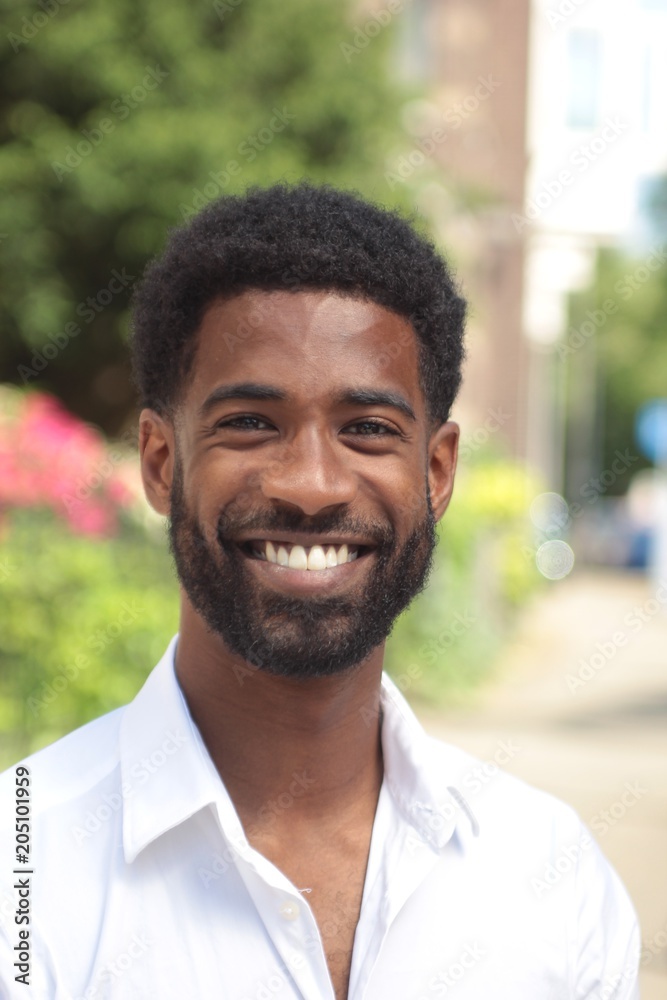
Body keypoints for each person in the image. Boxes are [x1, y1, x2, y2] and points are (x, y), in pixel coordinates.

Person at [0, 183, 639, 999]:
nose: (310, 486)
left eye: (367, 429)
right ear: (161, 463)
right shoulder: (24, 871)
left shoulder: (552, 880)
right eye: (250, 422)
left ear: (436, 472)